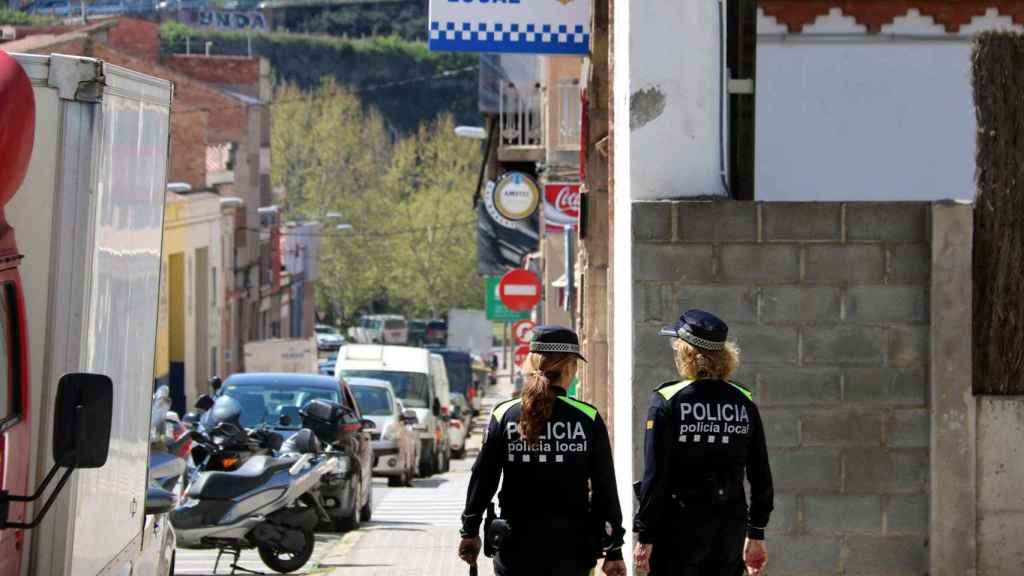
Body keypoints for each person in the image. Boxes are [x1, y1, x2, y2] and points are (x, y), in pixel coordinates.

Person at [458, 325, 627, 576]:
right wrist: (614, 551)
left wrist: (469, 531)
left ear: (531, 363)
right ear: (570, 368)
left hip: (516, 549)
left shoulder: (505, 415)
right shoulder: (587, 418)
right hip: (572, 550)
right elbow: (605, 488)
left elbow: (484, 479)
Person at [633, 310, 773, 576]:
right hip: (729, 528)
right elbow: (761, 474)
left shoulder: (667, 400)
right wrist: (756, 533)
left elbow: (655, 475)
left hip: (679, 527)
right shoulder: (743, 401)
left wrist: (645, 535)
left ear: (686, 353)